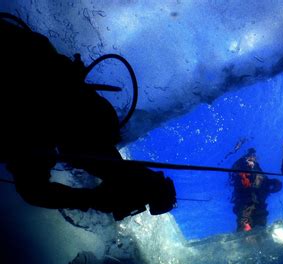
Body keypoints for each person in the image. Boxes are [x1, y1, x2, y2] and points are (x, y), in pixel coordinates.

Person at [0, 15, 175, 220]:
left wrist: (93, 198)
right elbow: (34, 190)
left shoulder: (71, 123)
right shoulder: (53, 122)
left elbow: (104, 163)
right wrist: (91, 199)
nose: (76, 165)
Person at [230, 148, 282, 232]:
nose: (251, 159)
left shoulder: (260, 173)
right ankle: (246, 237)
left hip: (260, 205)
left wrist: (277, 183)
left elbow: (267, 182)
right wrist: (247, 166)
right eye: (249, 158)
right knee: (245, 227)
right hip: (245, 205)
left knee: (261, 228)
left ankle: (261, 239)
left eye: (253, 158)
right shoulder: (241, 171)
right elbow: (238, 178)